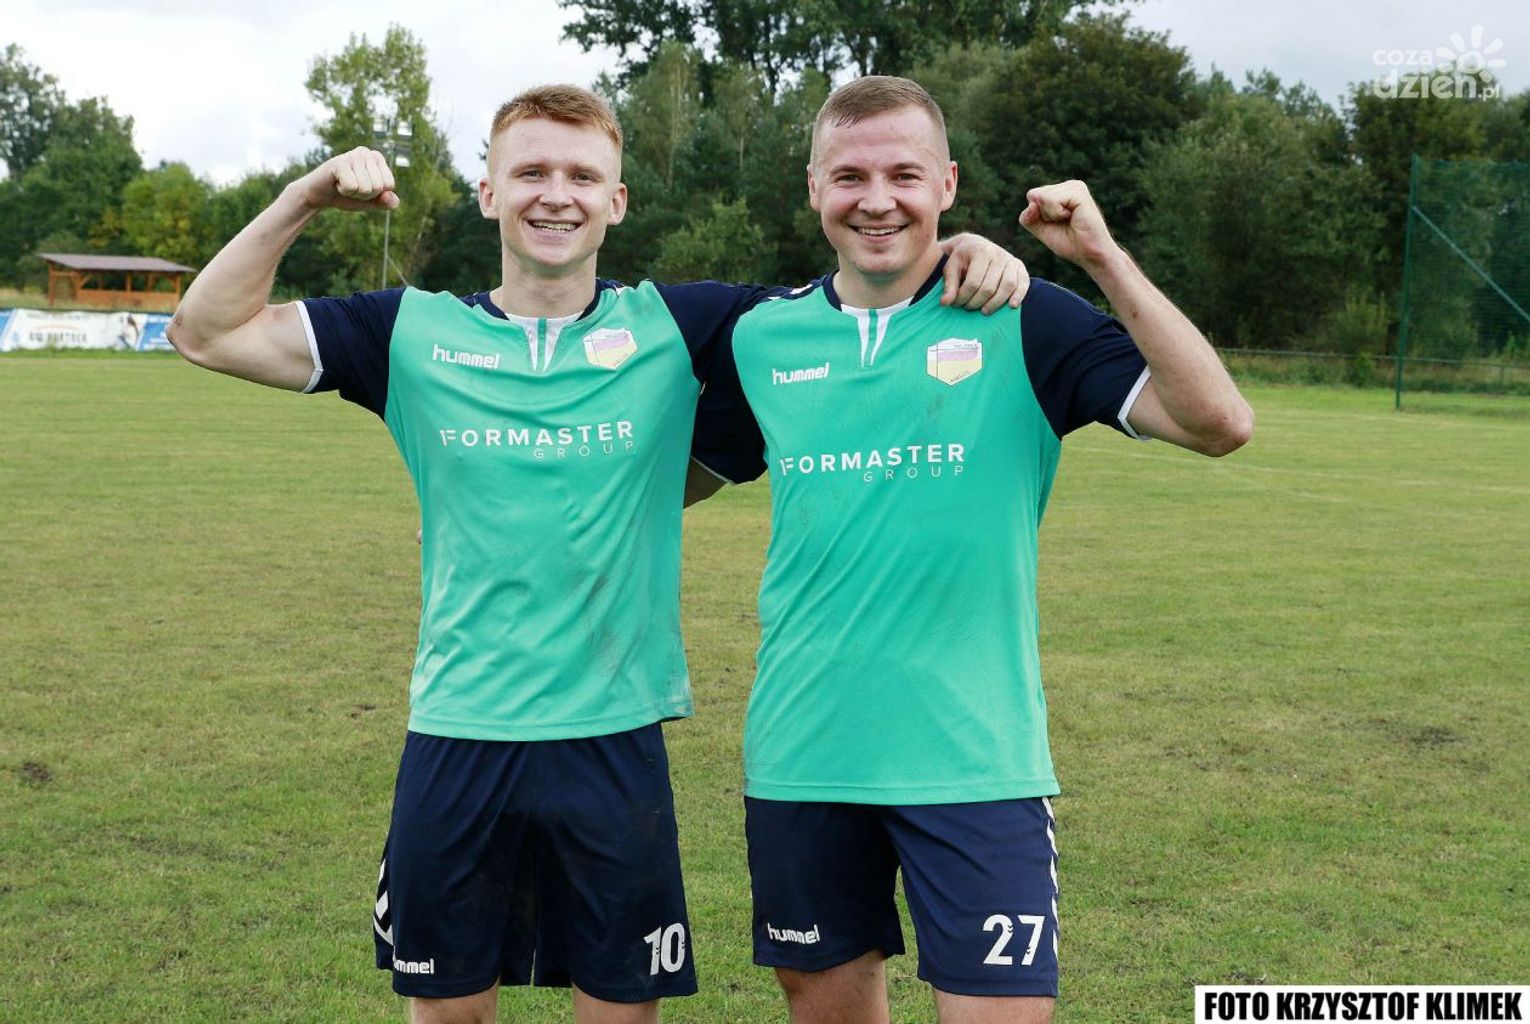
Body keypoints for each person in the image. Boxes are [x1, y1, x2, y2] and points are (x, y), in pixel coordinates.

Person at [166, 84, 1026, 1024]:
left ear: (616, 201)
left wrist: (963, 249)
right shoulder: (409, 331)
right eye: (530, 172)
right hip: (458, 731)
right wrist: (306, 196)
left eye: (582, 176)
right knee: (448, 1013)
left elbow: (861, 284)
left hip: (614, 739)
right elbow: (206, 331)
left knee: (619, 1014)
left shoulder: (683, 326)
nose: (556, 194)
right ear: (488, 193)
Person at [705, 76, 1254, 1024]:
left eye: (904, 175)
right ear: (814, 188)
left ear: (948, 184)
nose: (877, 200)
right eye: (850, 176)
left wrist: (1100, 257)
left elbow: (1220, 423)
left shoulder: (1024, 318)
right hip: (803, 753)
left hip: (977, 760)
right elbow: (666, 473)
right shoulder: (761, 335)